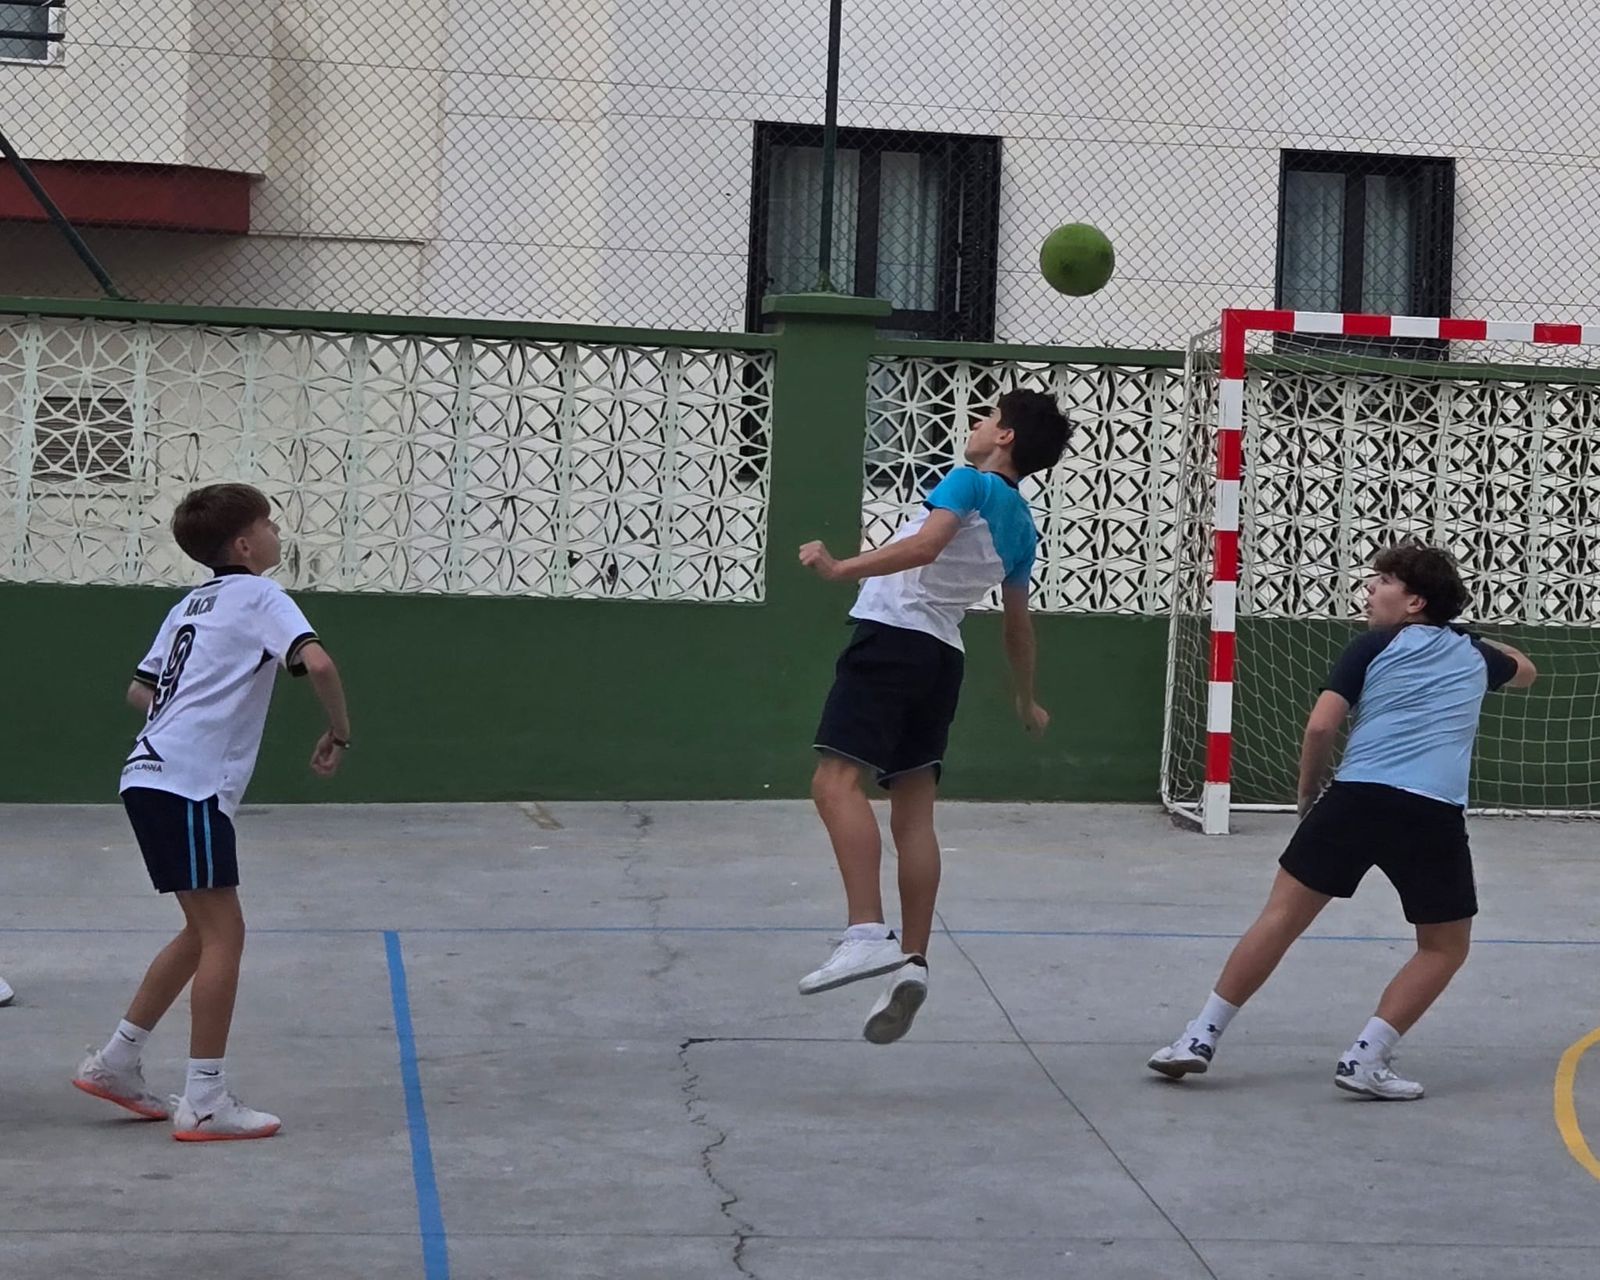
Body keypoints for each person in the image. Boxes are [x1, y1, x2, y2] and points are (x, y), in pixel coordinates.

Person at [1148, 543, 1537, 1099]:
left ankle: (1198, 1038)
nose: (1369, 589)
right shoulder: (1477, 656)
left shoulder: (1371, 647)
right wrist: (1465, 636)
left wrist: (1308, 794)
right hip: (1430, 814)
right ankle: (1365, 1059)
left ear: (1414, 602)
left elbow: (1320, 729)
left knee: (1280, 918)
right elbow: (1526, 670)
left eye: (1384, 581)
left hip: (1353, 799)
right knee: (1444, 947)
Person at [71, 483, 352, 1140]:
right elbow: (318, 662)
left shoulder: (189, 605)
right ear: (248, 544)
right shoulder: (262, 596)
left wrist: (190, 711)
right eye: (270, 523)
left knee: (201, 931)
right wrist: (339, 734)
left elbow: (140, 690)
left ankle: (115, 1061)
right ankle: (204, 1100)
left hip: (146, 775)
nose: (279, 531)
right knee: (227, 934)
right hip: (188, 784)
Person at [796, 389, 1071, 1043]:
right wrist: (1025, 696)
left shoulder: (968, 482)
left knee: (833, 783)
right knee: (913, 813)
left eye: (986, 417)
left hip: (890, 640)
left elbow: (927, 545)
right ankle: (911, 961)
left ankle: (866, 932)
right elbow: (1018, 626)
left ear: (1003, 437)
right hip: (941, 658)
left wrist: (840, 568)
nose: (976, 426)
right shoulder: (1023, 525)